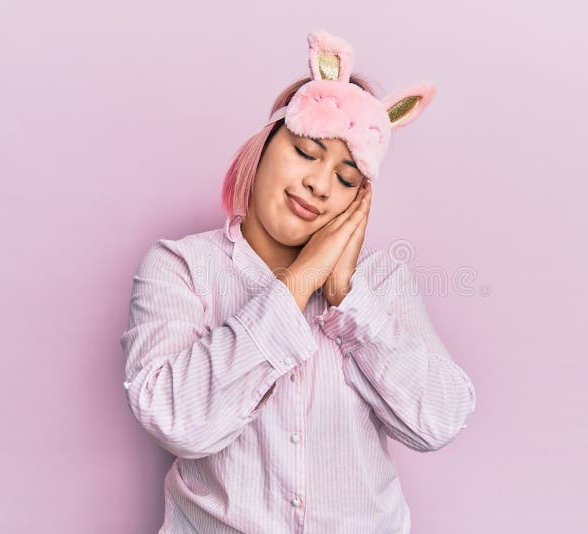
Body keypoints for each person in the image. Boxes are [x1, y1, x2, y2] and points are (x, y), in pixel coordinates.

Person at [120, 29, 477, 534]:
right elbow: (176, 420)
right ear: (263, 147)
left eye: (348, 177)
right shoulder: (179, 267)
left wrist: (348, 299)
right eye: (306, 152)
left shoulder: (383, 282)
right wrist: (299, 281)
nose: (319, 183)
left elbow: (439, 420)